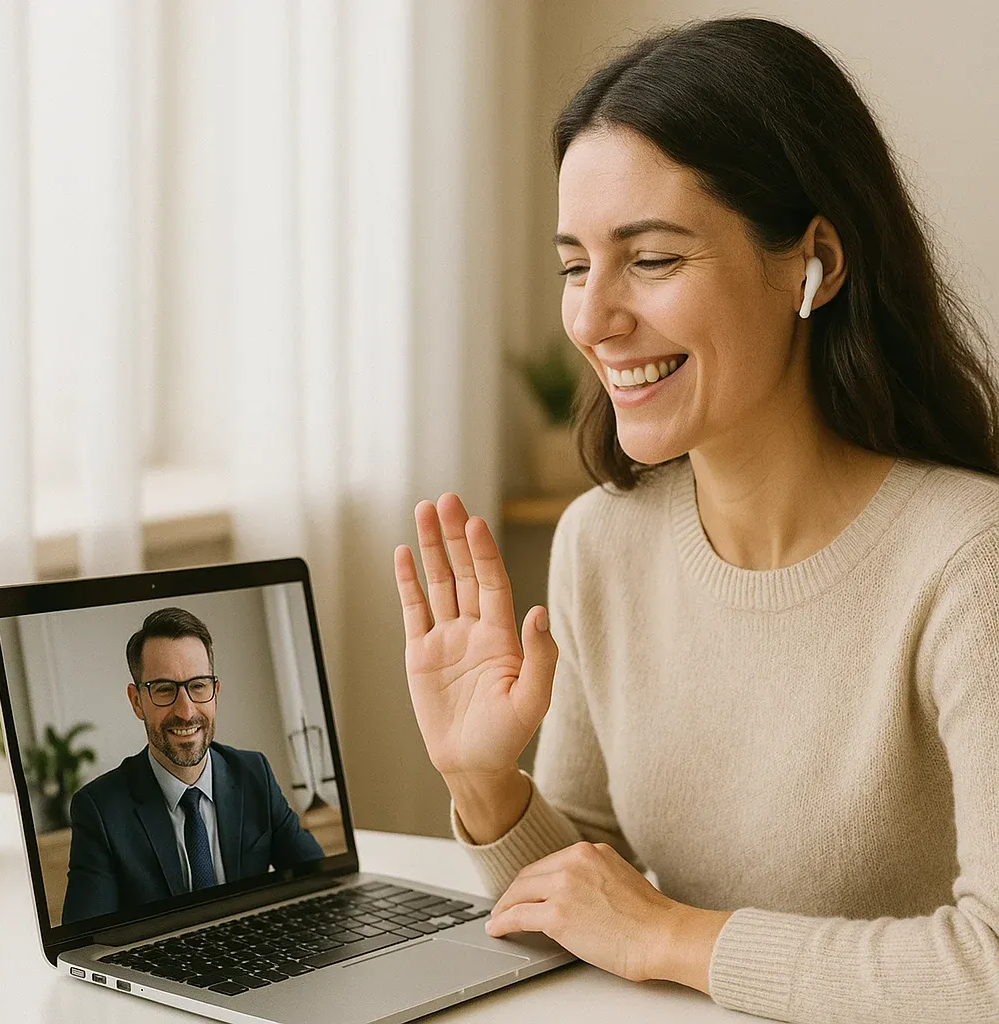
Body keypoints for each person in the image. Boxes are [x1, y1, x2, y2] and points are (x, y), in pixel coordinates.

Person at [393, 17, 999, 1024]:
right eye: (574, 265)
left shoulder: (968, 562)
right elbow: (589, 904)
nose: (592, 318)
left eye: (653, 259)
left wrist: (672, 934)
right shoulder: (603, 544)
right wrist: (487, 784)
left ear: (815, 264)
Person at [62, 607, 323, 924]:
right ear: (136, 702)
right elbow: (85, 944)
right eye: (164, 689)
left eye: (198, 686)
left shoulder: (254, 773)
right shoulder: (99, 810)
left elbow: (318, 885)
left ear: (215, 692)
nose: (186, 712)